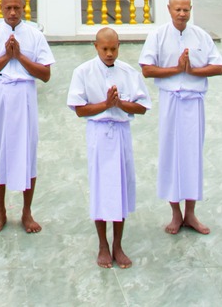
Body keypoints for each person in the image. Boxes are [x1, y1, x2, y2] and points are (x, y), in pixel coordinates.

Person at [138, 0, 222, 236]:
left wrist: (194, 71)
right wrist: (176, 69)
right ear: (169, 9)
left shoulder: (200, 36)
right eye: (178, 9)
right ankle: (175, 213)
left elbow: (218, 67)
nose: (182, 14)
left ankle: (191, 213)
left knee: (192, 155)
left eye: (186, 9)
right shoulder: (158, 35)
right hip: (171, 101)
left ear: (190, 9)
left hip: (194, 102)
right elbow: (147, 69)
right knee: (171, 154)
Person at [0, 0, 54, 233]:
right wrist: (6, 58)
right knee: (1, 151)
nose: (12, 12)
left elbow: (46, 75)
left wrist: (19, 56)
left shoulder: (34, 35)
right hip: (1, 94)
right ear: (1, 9)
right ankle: (1, 211)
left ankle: (27, 211)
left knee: (28, 151)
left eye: (17, 7)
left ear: (24, 8)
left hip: (25, 94)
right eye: (8, 7)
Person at [68, 26, 149, 269]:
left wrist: (121, 104)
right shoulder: (83, 71)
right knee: (102, 189)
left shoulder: (128, 72)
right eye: (104, 48)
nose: (109, 53)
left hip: (121, 133)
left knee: (121, 188)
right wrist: (105, 105)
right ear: (95, 46)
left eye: (113, 48)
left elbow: (143, 106)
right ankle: (103, 243)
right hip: (99, 134)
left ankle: (118, 245)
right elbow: (79, 109)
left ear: (119, 47)